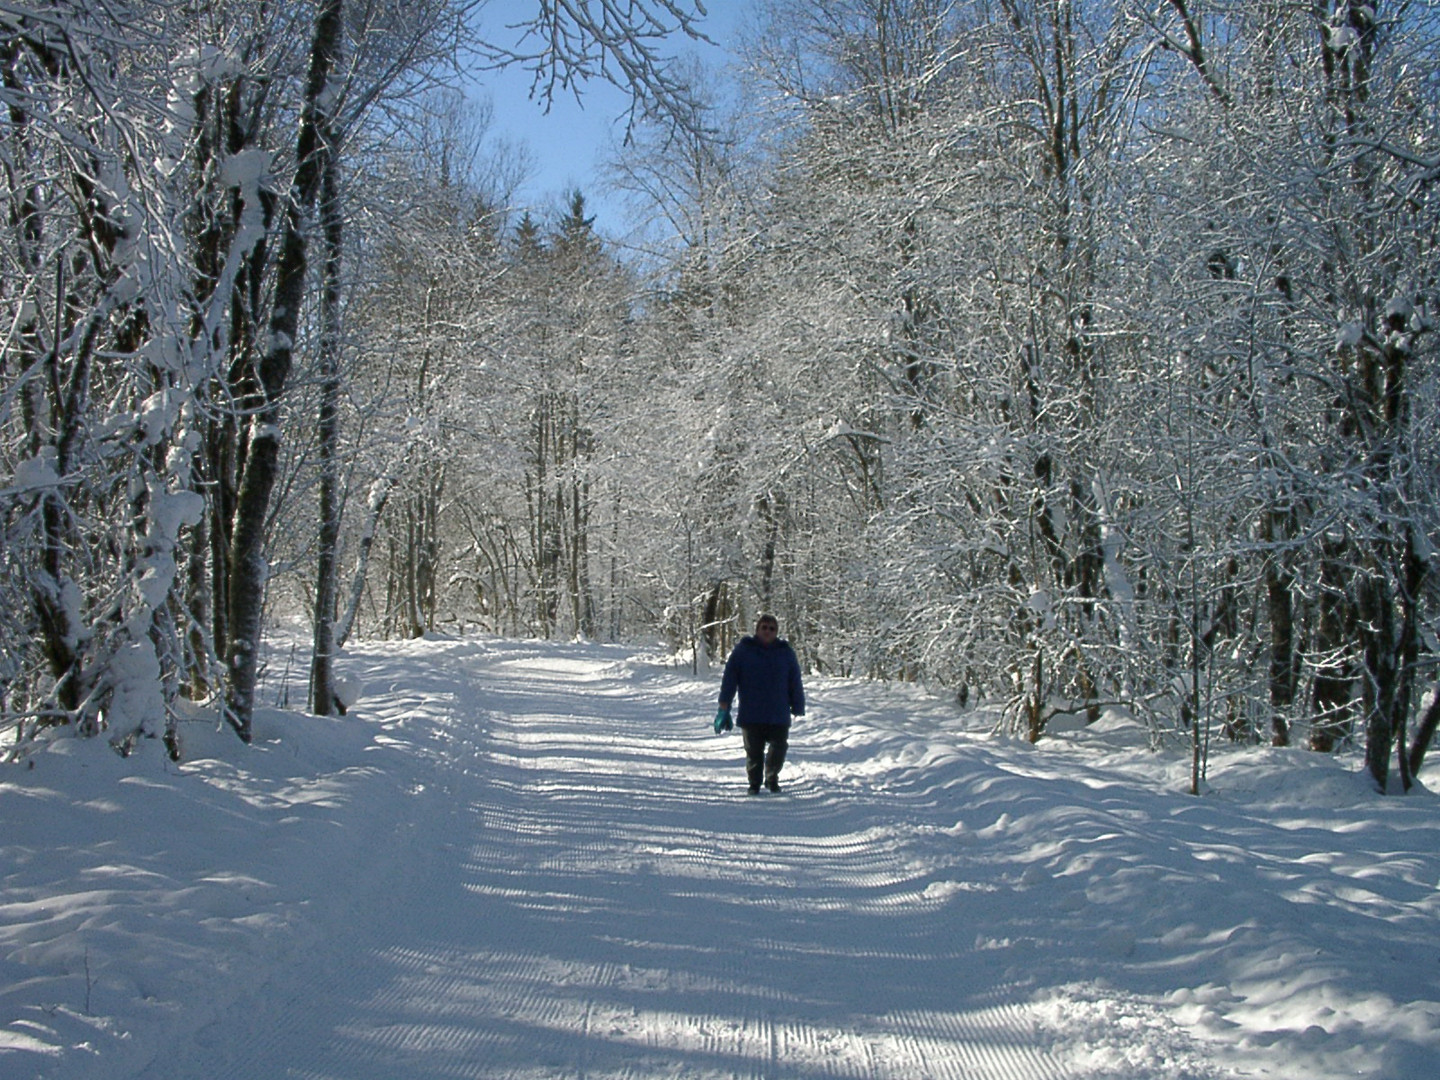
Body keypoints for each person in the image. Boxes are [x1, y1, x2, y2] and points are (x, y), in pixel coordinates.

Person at [716, 614, 805, 794]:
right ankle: (754, 783)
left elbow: (794, 680)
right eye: (764, 627)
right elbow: (730, 678)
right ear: (757, 630)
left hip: (778, 712)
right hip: (751, 711)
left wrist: (798, 705)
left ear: (777, 632)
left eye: (772, 628)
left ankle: (772, 778)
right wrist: (724, 704)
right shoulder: (744, 650)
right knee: (754, 752)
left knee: (779, 747)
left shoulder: (785, 652)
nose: (767, 631)